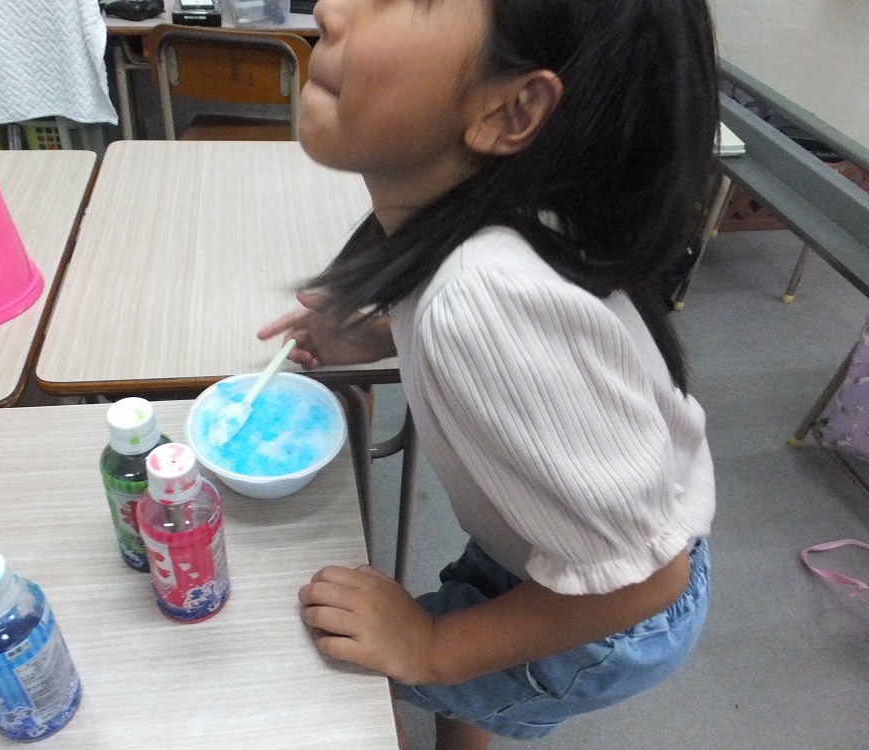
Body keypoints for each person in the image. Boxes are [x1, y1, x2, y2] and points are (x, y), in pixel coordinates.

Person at [257, 0, 719, 746]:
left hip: (614, 609)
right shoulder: (489, 212)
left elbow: (646, 576)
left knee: (365, 668)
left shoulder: (485, 299)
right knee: (461, 654)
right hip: (568, 538)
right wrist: (374, 334)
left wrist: (430, 647)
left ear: (512, 111)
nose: (329, 8)